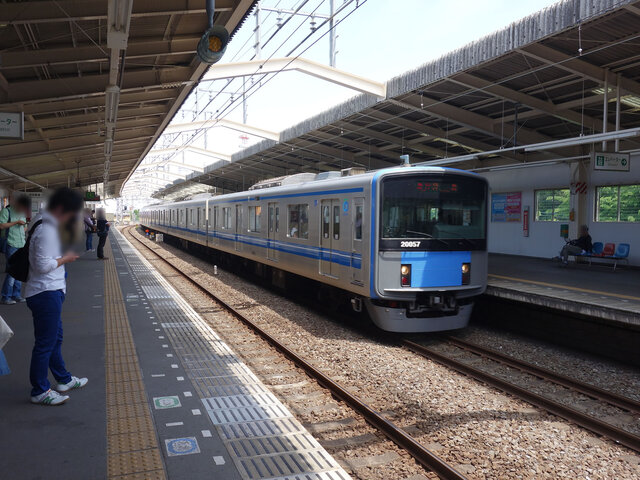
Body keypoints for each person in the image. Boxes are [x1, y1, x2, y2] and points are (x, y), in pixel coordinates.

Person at [26, 187, 87, 406]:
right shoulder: (48, 230)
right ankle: (40, 390)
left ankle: (63, 379)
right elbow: (42, 265)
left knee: (54, 338)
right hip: (45, 293)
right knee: (45, 343)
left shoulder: (42, 222)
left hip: (48, 292)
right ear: (61, 209)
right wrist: (66, 259)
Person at [0, 195, 31, 304]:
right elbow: (1, 225)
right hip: (10, 243)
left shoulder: (22, 213)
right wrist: (16, 222)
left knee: (19, 270)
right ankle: (6, 296)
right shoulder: (6, 211)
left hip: (21, 243)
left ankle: (16, 295)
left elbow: (24, 227)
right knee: (12, 271)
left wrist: (24, 226)